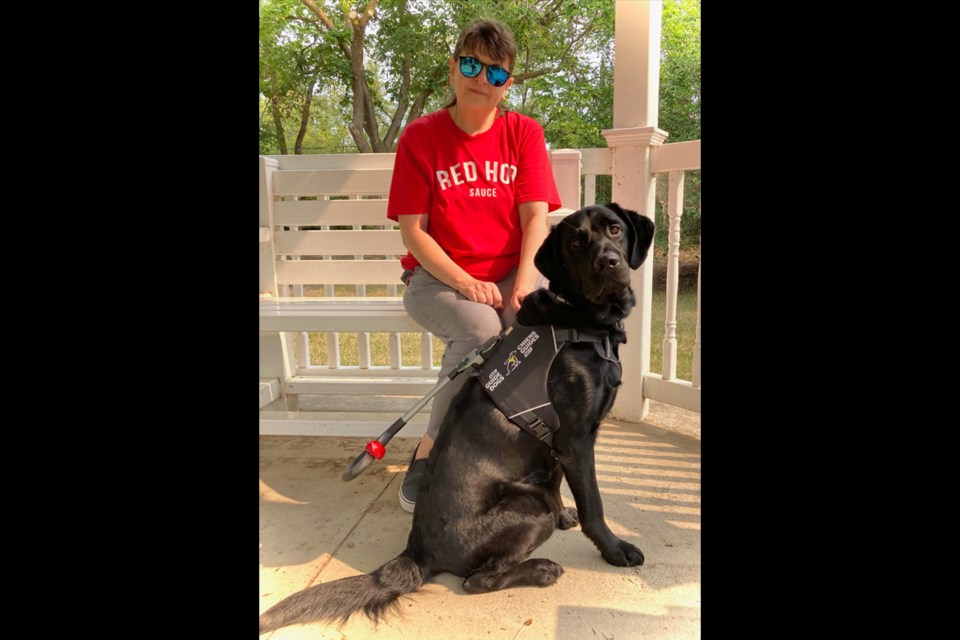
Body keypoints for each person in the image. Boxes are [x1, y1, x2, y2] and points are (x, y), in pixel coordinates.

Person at [386, 18, 562, 513]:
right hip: (436, 277)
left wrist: (525, 283)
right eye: (471, 64)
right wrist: (466, 280)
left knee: (528, 327)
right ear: (452, 68)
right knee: (482, 330)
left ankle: (511, 451)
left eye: (496, 73)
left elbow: (536, 219)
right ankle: (432, 450)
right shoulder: (421, 138)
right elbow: (413, 232)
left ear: (507, 85)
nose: (481, 79)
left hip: (510, 271)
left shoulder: (524, 133)